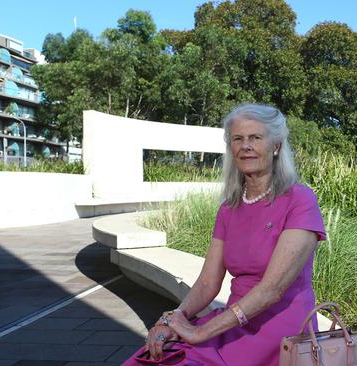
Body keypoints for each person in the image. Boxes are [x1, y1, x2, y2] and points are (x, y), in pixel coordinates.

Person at [123, 103, 326, 366]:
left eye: (255, 137)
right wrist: (173, 319)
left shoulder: (300, 200)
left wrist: (199, 332)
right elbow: (208, 282)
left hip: (280, 332)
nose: (246, 146)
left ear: (276, 145)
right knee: (148, 360)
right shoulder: (229, 209)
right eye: (238, 139)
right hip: (231, 324)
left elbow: (271, 291)